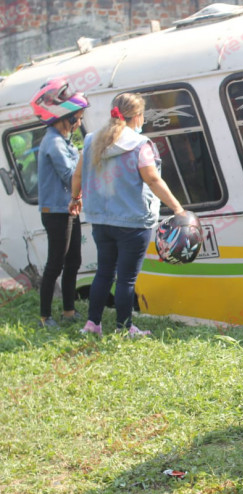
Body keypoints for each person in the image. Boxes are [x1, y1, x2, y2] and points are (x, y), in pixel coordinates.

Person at [69, 93, 185, 337]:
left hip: (101, 220)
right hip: (133, 222)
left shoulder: (91, 141)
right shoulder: (139, 144)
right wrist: (177, 208)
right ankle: (124, 328)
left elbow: (78, 175)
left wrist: (75, 198)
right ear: (139, 116)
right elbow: (152, 179)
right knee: (126, 279)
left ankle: (93, 325)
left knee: (103, 272)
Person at [29, 78, 90, 328]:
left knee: (73, 260)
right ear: (65, 117)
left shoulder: (62, 140)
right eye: (78, 117)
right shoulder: (53, 142)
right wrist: (88, 157)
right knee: (56, 262)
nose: (80, 122)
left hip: (67, 208)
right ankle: (45, 316)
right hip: (56, 211)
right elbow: (69, 175)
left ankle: (68, 310)